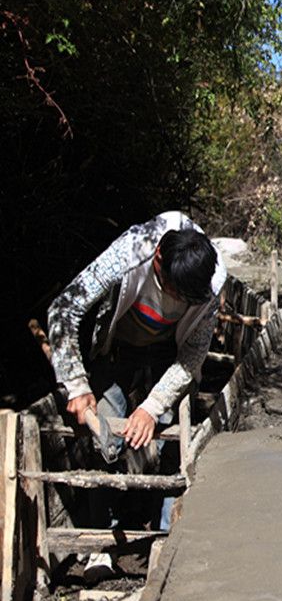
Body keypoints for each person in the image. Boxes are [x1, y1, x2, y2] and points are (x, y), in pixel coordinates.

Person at [47, 211, 225, 579]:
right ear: (158, 259)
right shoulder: (133, 250)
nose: (179, 301)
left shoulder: (210, 282)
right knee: (105, 441)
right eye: (174, 292)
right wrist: (76, 384)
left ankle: (168, 540)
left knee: (170, 440)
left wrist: (152, 406)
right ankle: (100, 544)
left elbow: (192, 355)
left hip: (169, 354)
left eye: (186, 298)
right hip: (118, 346)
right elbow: (65, 308)